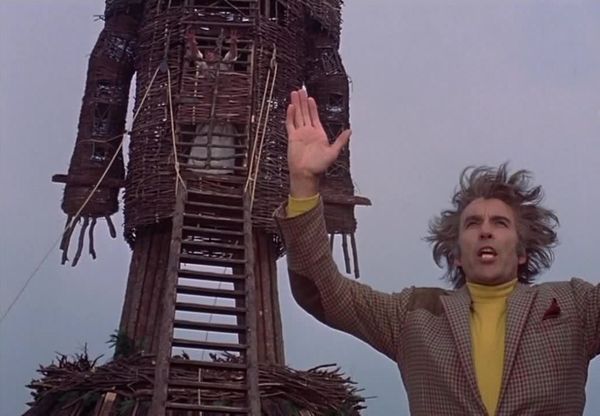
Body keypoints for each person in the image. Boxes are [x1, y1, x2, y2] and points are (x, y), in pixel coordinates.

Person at [275, 89, 600, 415]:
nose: (485, 230)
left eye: (500, 223)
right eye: (472, 223)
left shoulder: (575, 306)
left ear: (522, 253)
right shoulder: (412, 314)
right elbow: (321, 290)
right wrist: (303, 182)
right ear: (456, 255)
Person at [186, 29, 239, 174]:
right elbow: (196, 56)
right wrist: (192, 42)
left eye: (211, 53)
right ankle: (198, 168)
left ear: (217, 55)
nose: (208, 55)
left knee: (222, 141)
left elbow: (232, 55)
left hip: (222, 112)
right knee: (203, 139)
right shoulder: (204, 68)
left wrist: (233, 43)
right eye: (207, 53)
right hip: (207, 111)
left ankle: (222, 170)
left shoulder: (224, 65)